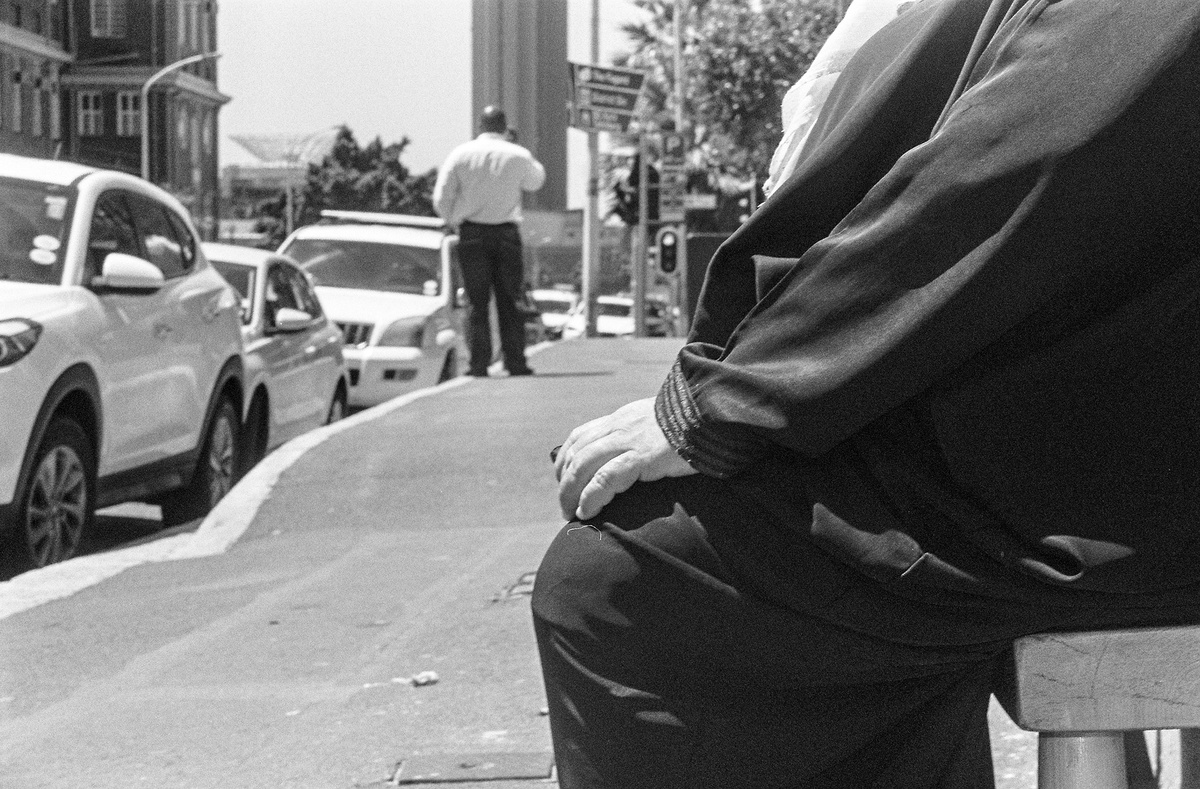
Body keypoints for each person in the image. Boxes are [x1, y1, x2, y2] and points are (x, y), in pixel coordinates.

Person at [533, 0, 1200, 787]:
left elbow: (1009, 169)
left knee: (623, 577)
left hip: (1126, 477)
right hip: (1109, 432)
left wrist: (732, 401)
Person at [433, 105, 545, 377]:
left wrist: (453, 219)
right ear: (505, 127)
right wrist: (514, 145)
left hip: (471, 234)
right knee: (510, 300)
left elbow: (441, 198)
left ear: (480, 126)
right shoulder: (518, 154)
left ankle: (478, 364)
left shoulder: (461, 154)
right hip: (506, 234)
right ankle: (515, 362)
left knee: (476, 302)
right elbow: (536, 181)